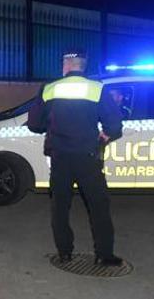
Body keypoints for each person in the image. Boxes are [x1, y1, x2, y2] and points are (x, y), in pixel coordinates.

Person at [27, 49, 124, 266]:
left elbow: (34, 124)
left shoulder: (49, 89)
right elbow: (115, 124)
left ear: (66, 65)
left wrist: (50, 127)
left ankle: (64, 252)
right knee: (98, 205)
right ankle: (104, 254)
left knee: (60, 206)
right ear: (83, 66)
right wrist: (105, 135)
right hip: (88, 156)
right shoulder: (97, 89)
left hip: (60, 156)